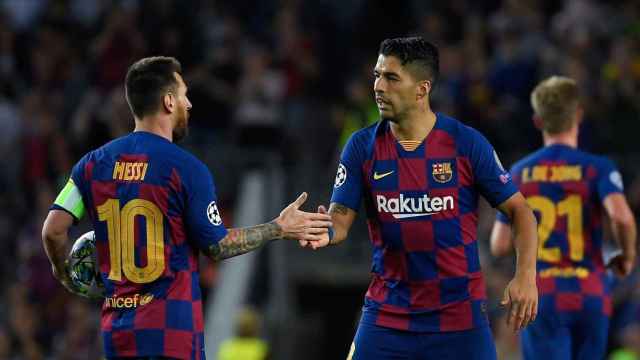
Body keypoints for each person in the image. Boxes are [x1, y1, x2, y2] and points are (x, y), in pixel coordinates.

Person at [41, 56, 332, 360]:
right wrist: (278, 228)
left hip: (118, 336)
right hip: (171, 338)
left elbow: (53, 229)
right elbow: (217, 247)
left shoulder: (91, 165)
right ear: (168, 101)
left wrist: (65, 275)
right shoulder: (186, 169)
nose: (189, 104)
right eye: (184, 95)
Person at [301, 37, 539, 359]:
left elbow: (520, 211)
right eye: (376, 75)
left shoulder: (465, 144)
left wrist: (525, 276)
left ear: (422, 88)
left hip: (459, 321)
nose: (378, 87)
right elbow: (339, 221)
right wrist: (320, 229)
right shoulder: (361, 147)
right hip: (388, 316)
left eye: (391, 78)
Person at [490, 76, 637, 360]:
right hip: (590, 289)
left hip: (541, 293)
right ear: (578, 115)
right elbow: (622, 217)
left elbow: (499, 244)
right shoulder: (598, 168)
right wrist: (627, 256)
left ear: (537, 121)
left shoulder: (519, 172)